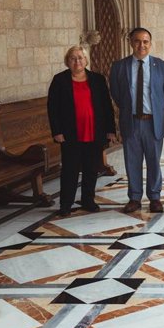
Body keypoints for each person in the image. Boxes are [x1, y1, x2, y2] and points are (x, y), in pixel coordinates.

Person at [47, 46, 116, 217]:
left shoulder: (98, 79)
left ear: (86, 60)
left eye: (80, 57)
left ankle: (88, 200)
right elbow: (52, 108)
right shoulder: (60, 80)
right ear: (67, 61)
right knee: (70, 170)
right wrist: (57, 131)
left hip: (94, 132)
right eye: (73, 58)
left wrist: (110, 130)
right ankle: (65, 204)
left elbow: (107, 106)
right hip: (70, 134)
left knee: (91, 169)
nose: (77, 61)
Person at [110, 27, 164, 214]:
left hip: (153, 122)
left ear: (150, 44)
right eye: (137, 41)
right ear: (130, 42)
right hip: (132, 121)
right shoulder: (119, 66)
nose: (141, 45)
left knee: (154, 161)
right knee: (132, 162)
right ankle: (134, 198)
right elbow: (117, 94)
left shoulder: (161, 66)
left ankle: (155, 197)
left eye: (145, 41)